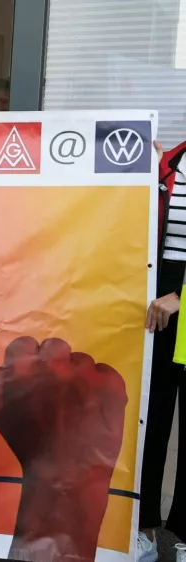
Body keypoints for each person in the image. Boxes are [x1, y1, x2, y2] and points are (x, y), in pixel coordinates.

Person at [138, 137, 186, 561]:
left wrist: (181, 297)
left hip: (179, 299)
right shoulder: (169, 161)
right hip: (159, 301)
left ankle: (185, 534)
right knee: (150, 419)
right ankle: (144, 528)